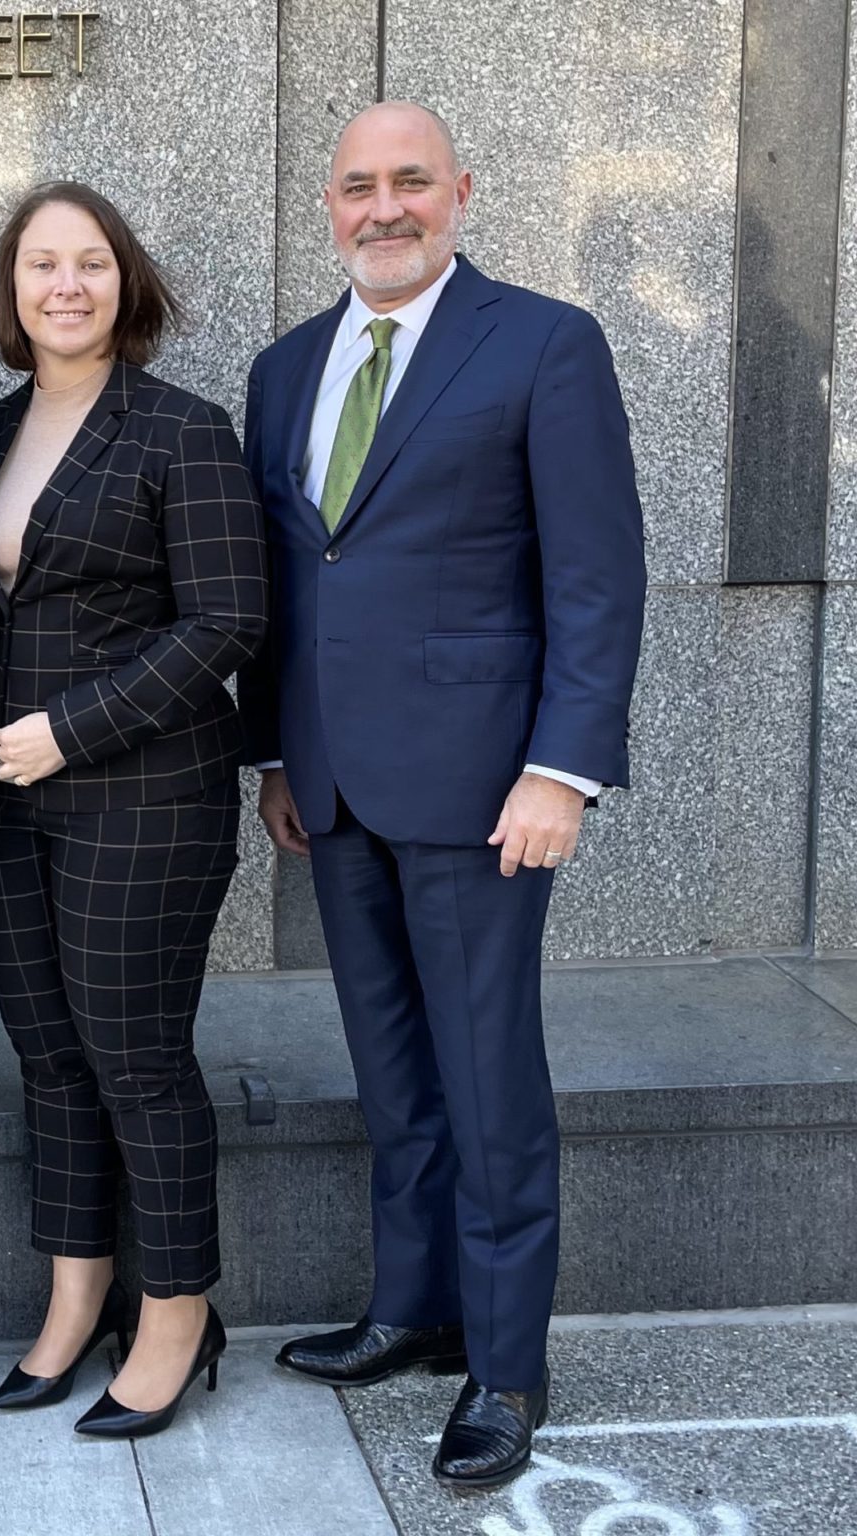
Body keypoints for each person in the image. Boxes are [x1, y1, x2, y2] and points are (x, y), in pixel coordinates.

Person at [240, 102, 646, 1489]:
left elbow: (597, 574)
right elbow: (297, 583)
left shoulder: (544, 343)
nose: (385, 206)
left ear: (463, 191)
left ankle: (508, 1362)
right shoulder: (286, 367)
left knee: (487, 1077)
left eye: (411, 180)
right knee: (393, 1071)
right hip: (336, 785)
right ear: (331, 206)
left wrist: (563, 769)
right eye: (359, 186)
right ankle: (413, 1309)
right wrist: (279, 755)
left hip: (488, 790)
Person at [0, 183, 268, 1440]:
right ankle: (73, 1298)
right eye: (41, 264)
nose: (65, 285)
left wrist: (69, 730)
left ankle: (178, 1311)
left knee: (135, 1063)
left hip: (142, 799)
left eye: (90, 263)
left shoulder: (182, 432)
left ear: (124, 284)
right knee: (48, 1062)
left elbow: (228, 621)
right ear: (12, 289)